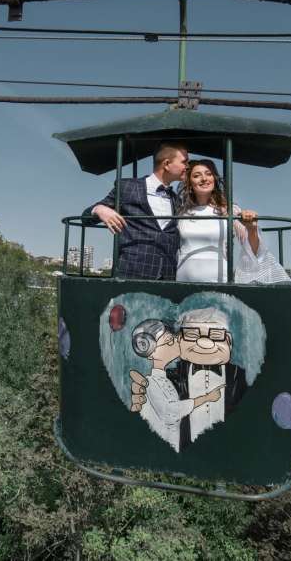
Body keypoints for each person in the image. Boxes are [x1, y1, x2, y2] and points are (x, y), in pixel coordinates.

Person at [130, 307, 247, 450]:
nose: (204, 342)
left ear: (228, 341)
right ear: (180, 339)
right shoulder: (171, 378)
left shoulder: (240, 377)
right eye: (192, 334)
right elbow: (166, 412)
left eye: (216, 334)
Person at [83, 142, 189, 280]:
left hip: (168, 276)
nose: (187, 166)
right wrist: (99, 209)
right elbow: (85, 218)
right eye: (184, 162)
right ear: (167, 164)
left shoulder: (176, 199)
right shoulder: (128, 187)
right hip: (132, 273)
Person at [175, 159, 263, 283]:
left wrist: (252, 228)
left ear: (214, 179)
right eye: (197, 176)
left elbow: (253, 250)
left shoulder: (229, 210)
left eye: (208, 174)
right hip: (184, 280)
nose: (204, 179)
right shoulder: (181, 212)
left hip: (218, 280)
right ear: (189, 183)